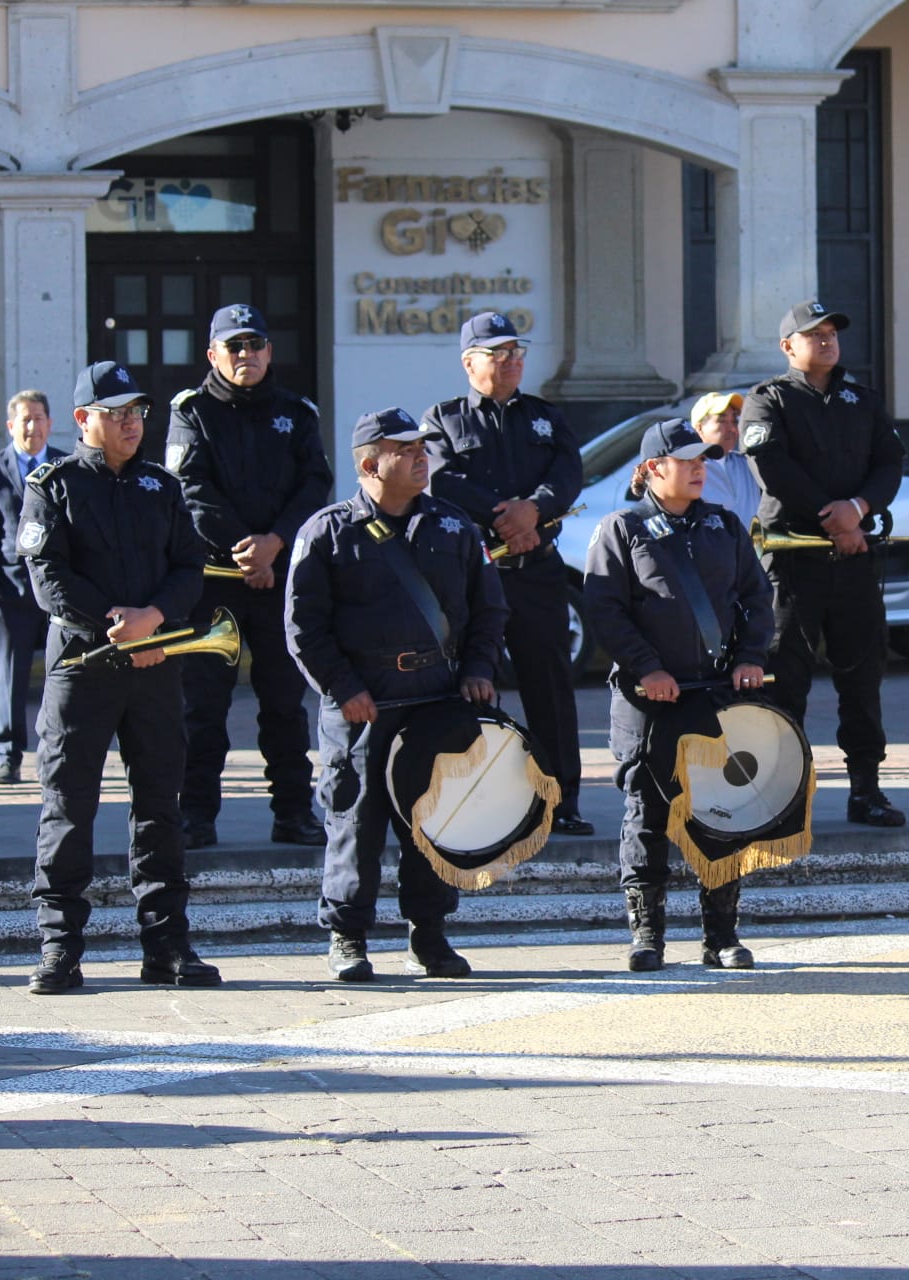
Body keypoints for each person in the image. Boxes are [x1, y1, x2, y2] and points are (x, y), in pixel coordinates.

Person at [285, 408, 510, 982]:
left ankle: (429, 935)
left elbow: (489, 610)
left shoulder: (454, 526)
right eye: (403, 449)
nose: (420, 457)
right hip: (363, 704)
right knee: (355, 822)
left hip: (436, 699)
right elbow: (303, 628)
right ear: (368, 463)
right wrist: (343, 688)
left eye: (421, 448)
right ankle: (348, 936)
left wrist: (479, 670)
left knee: (432, 820)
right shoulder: (327, 533)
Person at [21, 362, 219, 993]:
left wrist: (155, 619)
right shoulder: (51, 485)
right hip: (83, 666)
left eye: (138, 411)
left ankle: (167, 948)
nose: (132, 421)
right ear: (84, 421)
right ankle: (60, 948)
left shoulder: (161, 486)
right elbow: (48, 578)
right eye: (117, 412)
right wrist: (117, 622)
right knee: (69, 806)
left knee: (161, 806)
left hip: (156, 665)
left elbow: (191, 566)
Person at [583, 420, 775, 971]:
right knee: (647, 817)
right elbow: (605, 610)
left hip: (715, 695)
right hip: (650, 702)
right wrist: (646, 668)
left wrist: (750, 657)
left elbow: (757, 598)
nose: (700, 468)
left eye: (703, 459)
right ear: (650, 470)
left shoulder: (725, 525)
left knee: (723, 814)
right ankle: (648, 934)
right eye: (687, 460)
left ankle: (721, 936)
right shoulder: (622, 528)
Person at [168, 304, 333, 849]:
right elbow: (191, 490)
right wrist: (247, 550)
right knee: (203, 707)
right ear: (213, 354)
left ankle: (292, 814)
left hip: (277, 580)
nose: (246, 356)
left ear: (269, 351)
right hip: (214, 583)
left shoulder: (296, 412)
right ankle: (194, 816)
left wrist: (274, 545)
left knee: (285, 705)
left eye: (255, 345)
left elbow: (314, 485)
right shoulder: (192, 412)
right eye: (234, 347)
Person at [424, 311, 592, 835]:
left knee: (550, 683)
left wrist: (534, 512)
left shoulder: (543, 416)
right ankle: (466, 796)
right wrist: (507, 515)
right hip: (474, 574)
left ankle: (560, 798)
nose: (512, 361)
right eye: (498, 353)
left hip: (537, 568)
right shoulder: (444, 419)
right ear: (469, 362)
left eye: (517, 352)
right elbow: (440, 480)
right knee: (469, 682)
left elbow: (567, 472)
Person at [741, 300, 907, 827]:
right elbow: (772, 467)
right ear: (789, 346)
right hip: (793, 562)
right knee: (784, 678)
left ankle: (866, 789)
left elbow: (889, 463)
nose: (828, 340)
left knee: (861, 678)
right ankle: (783, 792)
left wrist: (857, 511)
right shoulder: (768, 401)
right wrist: (831, 517)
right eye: (815, 334)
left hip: (854, 559)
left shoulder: (863, 400)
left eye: (834, 332)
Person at [0, 389, 64, 786]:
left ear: (50, 423)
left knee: (63, 674)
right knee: (9, 676)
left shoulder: (63, 464)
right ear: (11, 426)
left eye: (39, 418)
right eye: (25, 419)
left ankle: (57, 752)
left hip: (58, 590)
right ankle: (7, 754)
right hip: (10, 590)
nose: (33, 426)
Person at [691, 391, 760, 528]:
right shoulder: (690, 469)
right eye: (722, 421)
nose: (732, 429)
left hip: (753, 548)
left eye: (734, 421)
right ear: (699, 427)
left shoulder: (749, 463)